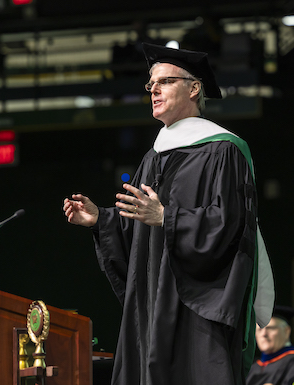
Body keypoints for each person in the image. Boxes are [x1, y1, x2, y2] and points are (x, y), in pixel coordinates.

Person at [63, 43, 274, 385]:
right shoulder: (154, 156)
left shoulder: (223, 151)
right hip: (152, 301)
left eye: (165, 81)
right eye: (150, 84)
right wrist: (101, 220)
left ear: (194, 88)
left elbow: (230, 225)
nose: (153, 90)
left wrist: (167, 218)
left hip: (196, 309)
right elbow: (141, 237)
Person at [246, 306, 294, 385]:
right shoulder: (252, 367)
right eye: (259, 329)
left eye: (270, 328)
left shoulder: (291, 361)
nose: (264, 334)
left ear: (286, 331)